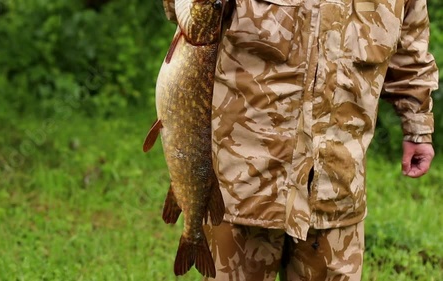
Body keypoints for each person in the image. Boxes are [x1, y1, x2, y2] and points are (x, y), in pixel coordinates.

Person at [162, 0, 438, 280]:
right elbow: (186, 12)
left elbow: (410, 52)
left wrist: (418, 127)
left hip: (337, 186)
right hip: (244, 183)